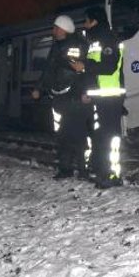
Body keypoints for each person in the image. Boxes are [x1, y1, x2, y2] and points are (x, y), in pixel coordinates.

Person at [32, 14, 90, 179]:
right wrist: (39, 88)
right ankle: (65, 168)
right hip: (60, 98)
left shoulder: (74, 46)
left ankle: (83, 169)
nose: (53, 31)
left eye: (56, 28)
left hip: (73, 97)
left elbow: (80, 71)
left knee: (77, 134)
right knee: (63, 135)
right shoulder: (57, 46)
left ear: (63, 29)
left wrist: (83, 92)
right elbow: (48, 70)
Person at [73, 6, 125, 188]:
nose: (85, 25)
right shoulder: (94, 40)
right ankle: (105, 173)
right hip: (100, 96)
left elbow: (109, 66)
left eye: (87, 21)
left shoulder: (107, 38)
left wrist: (85, 66)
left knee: (108, 138)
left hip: (110, 97)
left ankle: (110, 175)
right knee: (102, 137)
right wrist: (86, 91)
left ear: (94, 20)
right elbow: (93, 72)